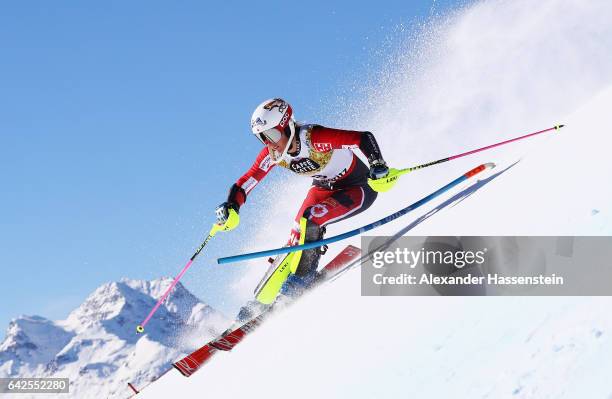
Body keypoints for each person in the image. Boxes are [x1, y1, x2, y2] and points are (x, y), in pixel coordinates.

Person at [215, 98, 392, 304]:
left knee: (311, 220)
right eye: (262, 138)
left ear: (287, 126)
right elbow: (248, 180)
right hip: (323, 188)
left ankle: (301, 281)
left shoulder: (313, 138)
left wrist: (377, 163)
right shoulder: (272, 154)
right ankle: (260, 303)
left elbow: (362, 138)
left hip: (359, 187)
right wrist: (231, 205)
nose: (269, 143)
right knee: (296, 233)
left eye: (272, 134)